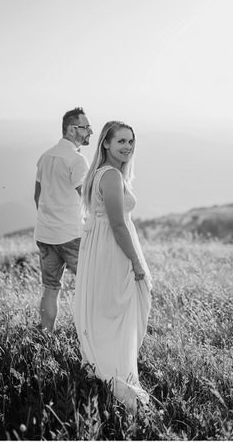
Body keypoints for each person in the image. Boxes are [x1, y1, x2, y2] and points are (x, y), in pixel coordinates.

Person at [74, 121, 152, 411]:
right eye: (121, 141)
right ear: (105, 143)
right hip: (113, 250)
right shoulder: (110, 176)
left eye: (131, 142)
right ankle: (116, 369)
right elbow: (118, 225)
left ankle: (107, 362)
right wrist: (136, 261)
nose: (128, 147)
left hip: (102, 249)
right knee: (117, 309)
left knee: (108, 308)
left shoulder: (102, 173)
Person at [34, 107, 92, 331]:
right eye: (85, 127)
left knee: (50, 287)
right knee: (91, 283)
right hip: (70, 235)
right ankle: (89, 335)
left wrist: (48, 220)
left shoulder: (44, 157)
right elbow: (87, 198)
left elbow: (37, 197)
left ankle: (45, 337)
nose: (89, 132)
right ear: (71, 129)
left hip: (45, 233)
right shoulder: (77, 160)